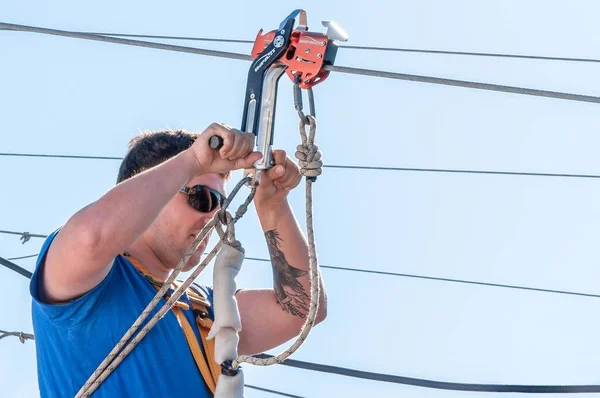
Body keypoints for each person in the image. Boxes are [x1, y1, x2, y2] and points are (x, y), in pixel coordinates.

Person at [29, 123, 328, 397]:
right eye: (202, 199)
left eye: (219, 205)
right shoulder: (88, 278)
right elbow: (90, 237)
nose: (213, 218)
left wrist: (273, 205)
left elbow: (304, 310)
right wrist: (192, 162)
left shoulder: (208, 310)